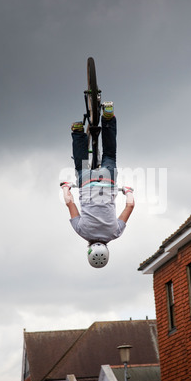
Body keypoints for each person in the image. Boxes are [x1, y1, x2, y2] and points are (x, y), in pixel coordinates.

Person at [61, 102, 134, 268]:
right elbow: (69, 202)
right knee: (81, 165)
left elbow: (130, 205)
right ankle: (78, 131)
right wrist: (66, 186)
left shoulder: (115, 232)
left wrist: (128, 191)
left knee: (109, 154)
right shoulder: (82, 231)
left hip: (108, 180)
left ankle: (107, 118)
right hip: (86, 182)